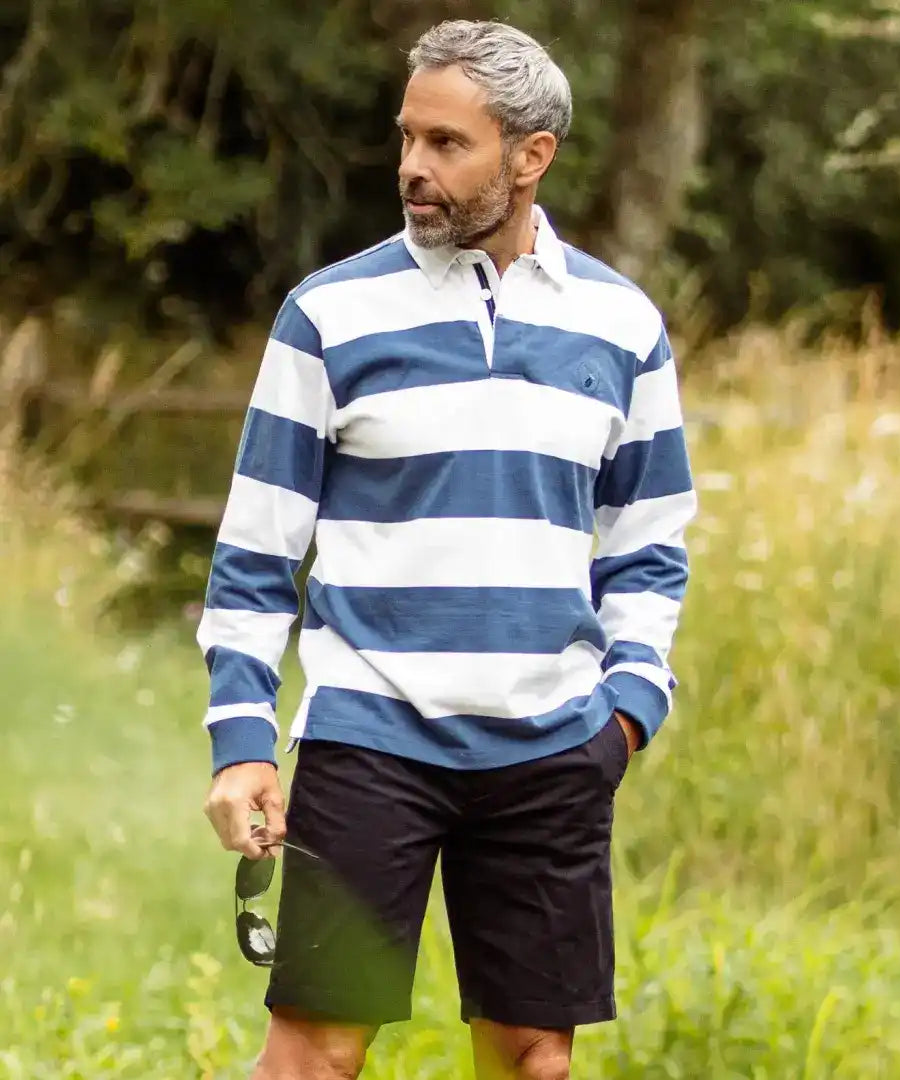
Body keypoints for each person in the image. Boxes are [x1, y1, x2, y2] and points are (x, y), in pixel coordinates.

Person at [197, 18, 697, 1080]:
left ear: (531, 156)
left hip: (554, 751)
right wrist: (242, 736)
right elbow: (255, 548)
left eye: (447, 143)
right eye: (407, 137)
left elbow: (650, 544)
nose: (412, 167)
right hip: (370, 739)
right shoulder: (328, 316)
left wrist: (626, 715)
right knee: (314, 1058)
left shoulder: (623, 326)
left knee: (534, 1063)